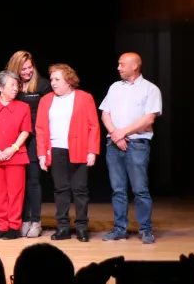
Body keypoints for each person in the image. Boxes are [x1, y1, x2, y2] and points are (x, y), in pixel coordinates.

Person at [100, 52, 163, 244]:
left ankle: (146, 229)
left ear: (134, 66)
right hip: (114, 144)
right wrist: (115, 133)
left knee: (140, 189)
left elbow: (149, 118)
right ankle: (120, 228)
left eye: (121, 64)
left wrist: (123, 132)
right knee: (118, 189)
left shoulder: (150, 89)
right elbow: (105, 113)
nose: (118, 68)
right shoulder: (115, 87)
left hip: (137, 144)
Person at [36, 64, 99, 242]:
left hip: (79, 149)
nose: (53, 83)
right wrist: (42, 154)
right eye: (52, 79)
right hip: (56, 150)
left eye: (57, 79)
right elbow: (40, 128)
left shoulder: (85, 98)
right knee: (60, 190)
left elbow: (93, 126)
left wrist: (92, 151)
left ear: (69, 81)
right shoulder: (46, 100)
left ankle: (81, 227)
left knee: (80, 189)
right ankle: (63, 227)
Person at [0, 70, 32, 239]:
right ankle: (1, 226)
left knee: (15, 192)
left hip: (15, 155)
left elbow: (25, 131)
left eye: (17, 85)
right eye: (12, 85)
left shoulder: (23, 107)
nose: (15, 88)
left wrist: (13, 148)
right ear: (0, 87)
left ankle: (14, 227)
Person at [5, 50, 51, 238]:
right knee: (17, 182)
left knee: (33, 180)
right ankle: (22, 219)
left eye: (30, 67)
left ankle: (36, 221)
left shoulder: (43, 85)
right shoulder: (11, 86)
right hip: (13, 139)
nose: (27, 72)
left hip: (32, 140)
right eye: (23, 68)